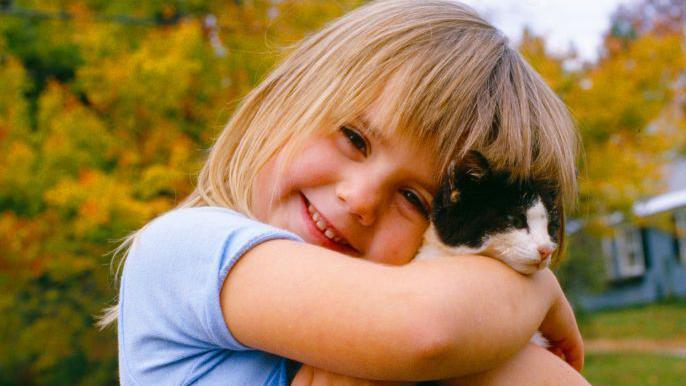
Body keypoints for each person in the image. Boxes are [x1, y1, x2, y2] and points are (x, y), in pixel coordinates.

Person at [99, 0, 590, 384]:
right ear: (286, 97)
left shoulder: (427, 348)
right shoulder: (185, 250)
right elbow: (424, 326)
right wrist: (537, 289)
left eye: (415, 199)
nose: (361, 199)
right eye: (354, 139)